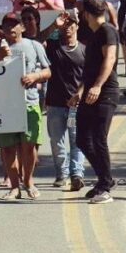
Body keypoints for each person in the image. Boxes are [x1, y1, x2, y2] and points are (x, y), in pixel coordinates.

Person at [0, 12, 51, 200]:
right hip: (5, 104)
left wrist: (35, 76)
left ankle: (29, 181)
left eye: (14, 24)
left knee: (29, 145)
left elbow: (48, 70)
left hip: (29, 102)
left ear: (22, 27)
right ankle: (14, 186)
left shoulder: (34, 46)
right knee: (8, 147)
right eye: (6, 25)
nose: (10, 28)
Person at [69, 0, 119, 204]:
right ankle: (104, 179)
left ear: (86, 14)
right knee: (82, 139)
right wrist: (80, 91)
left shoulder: (108, 31)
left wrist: (98, 85)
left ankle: (105, 187)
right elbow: (89, 69)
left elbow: (110, 59)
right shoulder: (94, 34)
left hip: (105, 93)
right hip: (89, 92)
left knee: (98, 139)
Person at [45, 11, 86, 191]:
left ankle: (76, 173)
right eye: (65, 25)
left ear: (77, 26)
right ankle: (61, 174)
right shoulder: (53, 46)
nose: (68, 28)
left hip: (76, 105)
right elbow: (36, 40)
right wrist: (54, 25)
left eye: (71, 24)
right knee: (57, 141)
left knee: (77, 141)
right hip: (55, 103)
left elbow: (89, 76)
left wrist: (81, 93)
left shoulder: (84, 49)